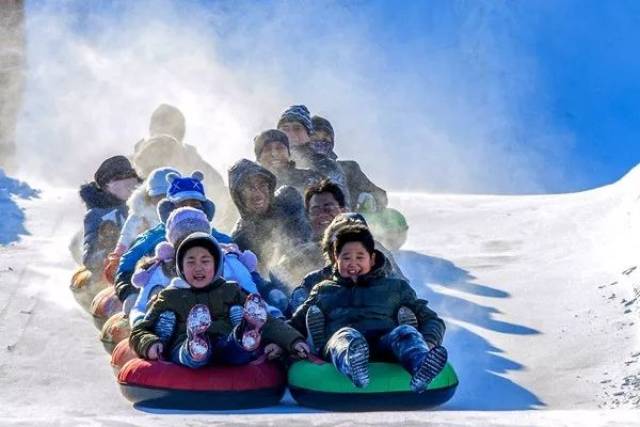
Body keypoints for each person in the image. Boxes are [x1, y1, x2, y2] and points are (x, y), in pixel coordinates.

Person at [289, 224, 447, 392]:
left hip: (384, 344)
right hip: (341, 345)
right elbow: (295, 323)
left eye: (360, 257)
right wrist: (289, 342)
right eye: (346, 257)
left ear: (371, 259)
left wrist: (429, 341)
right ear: (336, 258)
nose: (353, 263)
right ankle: (354, 367)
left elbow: (431, 319)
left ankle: (421, 364)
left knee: (405, 332)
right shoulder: (324, 290)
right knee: (347, 336)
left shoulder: (395, 288)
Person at [129, 232, 310, 368]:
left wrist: (293, 341)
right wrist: (150, 342)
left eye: (205, 261)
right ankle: (195, 346)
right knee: (188, 353)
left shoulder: (231, 291)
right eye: (191, 262)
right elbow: (141, 329)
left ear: (216, 265)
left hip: (225, 339)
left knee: (235, 348)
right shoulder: (170, 296)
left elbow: (268, 321)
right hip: (185, 341)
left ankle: (245, 334)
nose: (198, 268)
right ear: (181, 268)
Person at [114, 171, 232, 311]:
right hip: (162, 302)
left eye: (194, 205)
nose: (188, 211)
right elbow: (126, 266)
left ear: (205, 210)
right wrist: (129, 293)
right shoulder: (153, 237)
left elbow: (240, 265)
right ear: (170, 210)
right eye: (182, 205)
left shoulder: (218, 239)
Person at [131, 103, 237, 231]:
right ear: (151, 129)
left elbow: (223, 202)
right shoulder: (130, 170)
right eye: (160, 124)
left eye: (172, 126)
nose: (166, 130)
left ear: (181, 132)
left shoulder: (201, 170)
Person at [228, 159, 311, 273]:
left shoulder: (288, 199)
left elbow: (306, 235)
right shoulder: (240, 238)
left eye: (262, 185)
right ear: (238, 196)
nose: (258, 194)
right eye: (249, 188)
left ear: (270, 186)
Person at [103, 167, 179, 283]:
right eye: (158, 197)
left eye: (167, 197)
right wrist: (118, 256)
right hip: (147, 261)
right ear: (149, 196)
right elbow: (127, 236)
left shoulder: (184, 213)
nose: (162, 201)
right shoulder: (141, 213)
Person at [310, 115, 387, 212]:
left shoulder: (348, 169)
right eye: (315, 138)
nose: (320, 142)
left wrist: (366, 199)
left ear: (332, 142)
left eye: (325, 139)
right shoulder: (300, 169)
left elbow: (379, 195)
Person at [277, 105, 350, 206]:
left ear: (308, 135)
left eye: (297, 128)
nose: (290, 134)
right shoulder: (268, 161)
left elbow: (340, 207)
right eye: (285, 129)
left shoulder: (327, 166)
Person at [79, 155, 141, 274]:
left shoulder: (143, 205)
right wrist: (106, 247)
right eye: (119, 184)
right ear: (106, 188)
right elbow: (89, 259)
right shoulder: (96, 215)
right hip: (115, 271)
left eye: (131, 181)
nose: (127, 187)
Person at [254, 129, 323, 197]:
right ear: (259, 158)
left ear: (288, 154)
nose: (274, 153)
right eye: (267, 149)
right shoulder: (250, 185)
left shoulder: (310, 178)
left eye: (280, 148)